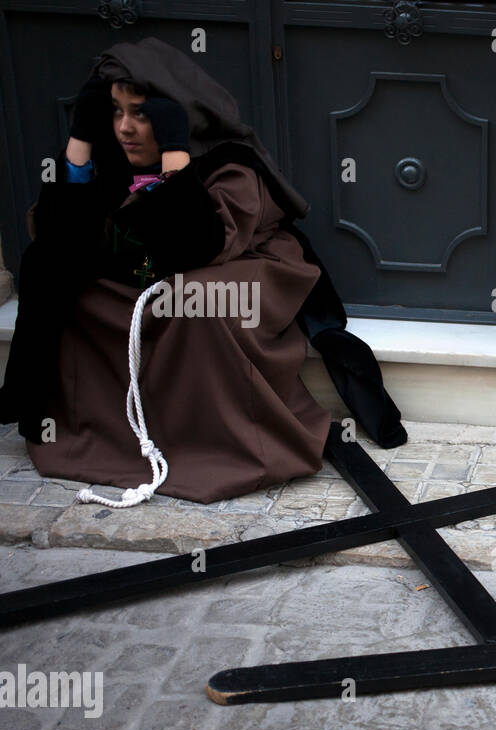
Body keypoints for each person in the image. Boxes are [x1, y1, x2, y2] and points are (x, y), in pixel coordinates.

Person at [0, 38, 407, 505]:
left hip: (240, 263)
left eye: (142, 114)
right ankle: (96, 431)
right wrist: (79, 144)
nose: (126, 129)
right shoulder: (111, 159)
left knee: (195, 301)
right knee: (54, 269)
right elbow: (53, 233)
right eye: (114, 112)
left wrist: (175, 157)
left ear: (177, 118)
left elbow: (197, 246)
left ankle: (208, 446)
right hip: (151, 269)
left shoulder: (231, 165)